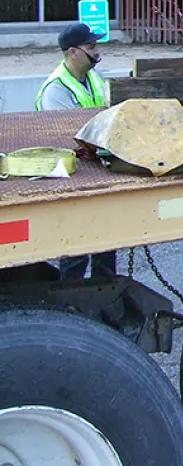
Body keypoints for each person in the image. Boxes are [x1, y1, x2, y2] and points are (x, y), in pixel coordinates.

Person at [34, 22, 116, 280]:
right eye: (91, 46)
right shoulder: (56, 89)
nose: (96, 51)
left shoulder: (93, 77)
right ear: (73, 52)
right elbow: (68, 136)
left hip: (93, 170)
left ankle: (105, 293)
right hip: (69, 176)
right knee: (75, 245)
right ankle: (72, 301)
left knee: (105, 239)